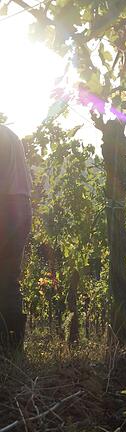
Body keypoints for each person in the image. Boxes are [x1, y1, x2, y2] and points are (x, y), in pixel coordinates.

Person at [0, 123, 33, 355]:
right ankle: (13, 346)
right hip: (22, 208)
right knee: (9, 278)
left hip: (4, 207)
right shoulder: (11, 133)